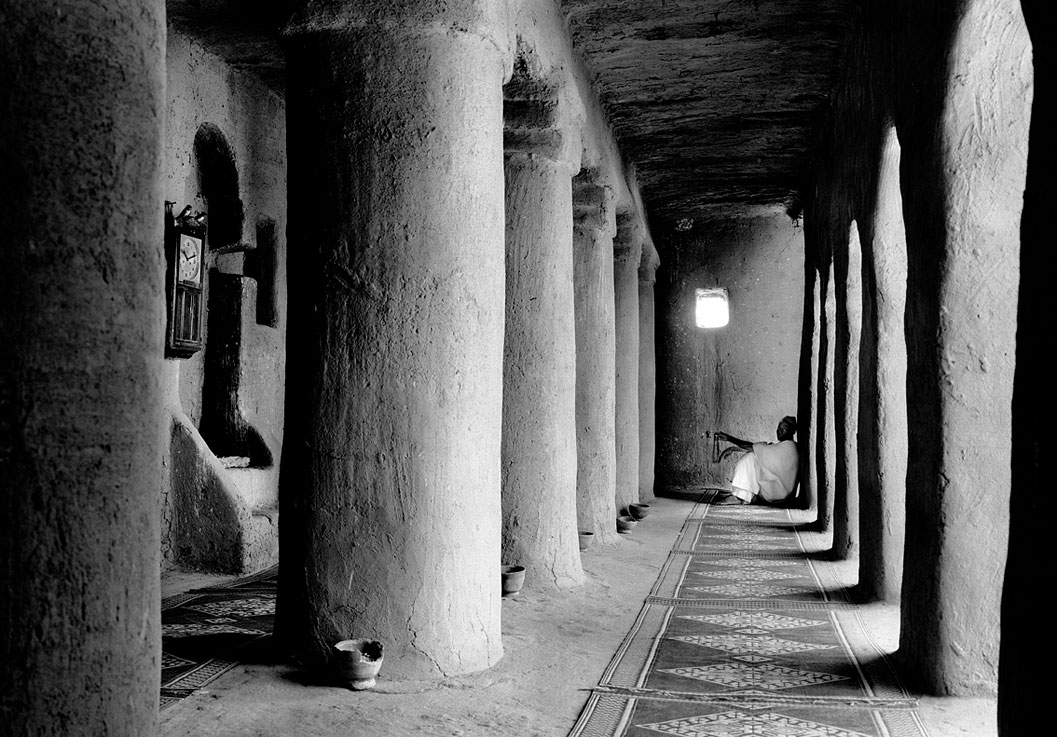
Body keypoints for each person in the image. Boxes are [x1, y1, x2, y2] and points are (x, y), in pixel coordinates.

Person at [713, 416, 799, 505]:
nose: (779, 431)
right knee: (757, 458)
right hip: (785, 496)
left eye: (784, 428)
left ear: (792, 432)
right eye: (778, 428)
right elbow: (760, 449)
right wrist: (734, 448)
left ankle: (740, 496)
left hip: (777, 496)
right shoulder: (790, 446)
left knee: (751, 458)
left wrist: (728, 438)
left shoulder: (787, 447)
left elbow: (754, 448)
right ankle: (743, 495)